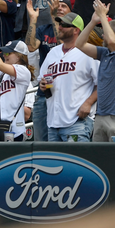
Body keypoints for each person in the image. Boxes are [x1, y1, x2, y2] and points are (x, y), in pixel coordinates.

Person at [75, 0, 115, 142]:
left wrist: (103, 16)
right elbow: (79, 44)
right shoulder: (104, 53)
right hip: (100, 116)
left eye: (105, 32)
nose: (102, 35)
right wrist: (93, 22)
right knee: (99, 160)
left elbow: (113, 41)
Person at [38, 12, 98, 142]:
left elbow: (103, 83)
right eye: (60, 24)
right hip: (53, 122)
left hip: (77, 121)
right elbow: (41, 78)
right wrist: (42, 85)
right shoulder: (53, 52)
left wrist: (88, 103)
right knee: (55, 162)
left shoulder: (88, 52)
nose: (59, 27)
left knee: (76, 160)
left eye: (64, 25)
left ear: (76, 30)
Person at [25, 0, 69, 141]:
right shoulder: (43, 29)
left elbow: (61, 43)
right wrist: (33, 19)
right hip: (43, 91)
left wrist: (54, 17)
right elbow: (31, 47)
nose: (59, 8)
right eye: (58, 5)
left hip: (63, 94)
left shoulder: (73, 32)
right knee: (40, 141)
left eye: (63, 6)